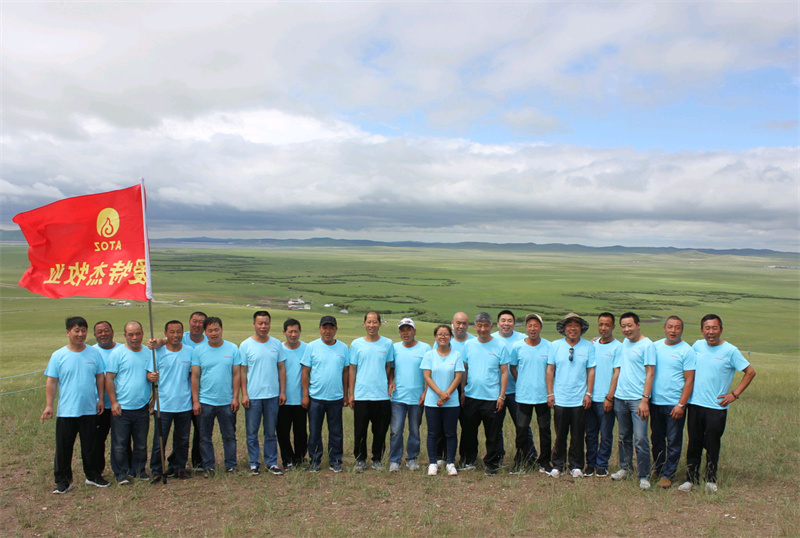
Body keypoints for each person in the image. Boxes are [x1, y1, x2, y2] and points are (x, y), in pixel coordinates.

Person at [678, 314, 756, 493]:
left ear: (720, 329)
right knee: (694, 442)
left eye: (714, 328)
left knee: (712, 443)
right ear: (702, 330)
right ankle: (691, 479)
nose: (711, 332)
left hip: (716, 407)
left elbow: (750, 372)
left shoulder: (730, 351)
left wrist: (734, 394)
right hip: (695, 404)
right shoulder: (697, 346)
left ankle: (711, 479)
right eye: (707, 328)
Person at [41, 316, 107, 493]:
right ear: (68, 332)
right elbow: (52, 381)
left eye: (83, 330)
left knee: (90, 446)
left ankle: (93, 476)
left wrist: (101, 399)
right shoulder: (58, 355)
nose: (80, 334)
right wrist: (49, 405)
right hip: (67, 410)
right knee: (63, 448)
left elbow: (100, 377)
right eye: (76, 330)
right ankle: (62, 481)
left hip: (89, 408)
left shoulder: (94, 353)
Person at [608, 312, 656, 489]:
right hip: (621, 398)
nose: (627, 329)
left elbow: (650, 373)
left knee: (641, 438)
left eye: (630, 325)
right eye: (623, 326)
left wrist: (645, 400)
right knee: (623, 436)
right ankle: (626, 468)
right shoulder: (624, 344)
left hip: (638, 400)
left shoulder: (647, 345)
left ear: (638, 325)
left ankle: (644, 475)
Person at [546, 313, 596, 478]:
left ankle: (576, 466)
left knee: (578, 434)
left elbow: (591, 370)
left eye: (576, 325)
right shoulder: (555, 345)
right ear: (564, 328)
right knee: (560, 434)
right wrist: (550, 393)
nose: (573, 329)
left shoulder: (588, 346)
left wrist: (588, 393)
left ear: (581, 328)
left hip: (580, 399)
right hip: (560, 398)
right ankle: (557, 465)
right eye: (569, 325)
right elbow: (550, 370)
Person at [459, 311, 508, 475]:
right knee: (468, 431)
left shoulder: (500, 346)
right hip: (471, 396)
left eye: (486, 326)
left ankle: (492, 464)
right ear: (475, 326)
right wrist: (463, 391)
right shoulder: (469, 345)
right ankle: (468, 460)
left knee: (492, 433)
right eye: (479, 325)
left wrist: (502, 395)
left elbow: (504, 372)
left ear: (491, 326)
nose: (482, 329)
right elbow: (465, 369)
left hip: (492, 397)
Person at [191, 316, 241, 476]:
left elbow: (236, 374)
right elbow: (195, 376)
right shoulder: (198, 351)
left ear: (221, 329)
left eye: (216, 329)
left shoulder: (232, 348)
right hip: (205, 401)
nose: (213, 333)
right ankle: (208, 466)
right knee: (205, 437)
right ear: (205, 332)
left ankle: (231, 465)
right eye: (210, 330)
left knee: (229, 436)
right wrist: (195, 401)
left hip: (227, 401)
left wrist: (235, 398)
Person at [650, 315, 696, 489]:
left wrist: (681, 404)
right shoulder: (655, 346)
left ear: (682, 330)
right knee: (657, 438)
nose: (673, 330)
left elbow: (689, 380)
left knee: (673, 441)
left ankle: (668, 474)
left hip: (674, 404)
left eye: (677, 327)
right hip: (655, 402)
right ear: (664, 328)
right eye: (670, 327)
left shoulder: (687, 351)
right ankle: (658, 468)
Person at [301, 315, 350, 473]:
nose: (327, 331)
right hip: (316, 398)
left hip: (336, 398)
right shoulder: (312, 347)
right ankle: (315, 460)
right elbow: (305, 371)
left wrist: (346, 394)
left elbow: (346, 372)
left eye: (331, 328)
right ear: (320, 329)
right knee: (315, 431)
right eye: (324, 328)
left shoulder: (343, 348)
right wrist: (305, 395)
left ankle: (335, 461)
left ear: (336, 329)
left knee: (336, 432)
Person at [240, 310, 286, 476]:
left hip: (272, 396)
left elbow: (281, 368)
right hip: (253, 396)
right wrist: (244, 394)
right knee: (252, 433)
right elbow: (242, 371)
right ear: (254, 324)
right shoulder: (246, 345)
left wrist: (282, 392)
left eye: (266, 323)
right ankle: (253, 463)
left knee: (270, 432)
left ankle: (272, 462)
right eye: (260, 323)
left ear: (270, 324)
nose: (263, 326)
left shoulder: (276, 344)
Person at [146, 320, 194, 481]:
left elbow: (192, 375)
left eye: (179, 331)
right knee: (160, 440)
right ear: (165, 333)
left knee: (182, 440)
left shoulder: (189, 351)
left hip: (184, 404)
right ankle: (156, 470)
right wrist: (151, 377)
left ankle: (179, 467)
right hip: (163, 404)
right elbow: (149, 374)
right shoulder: (157, 352)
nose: (175, 335)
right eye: (172, 332)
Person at [106, 321, 152, 484]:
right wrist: (114, 402)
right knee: (120, 444)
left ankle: (139, 470)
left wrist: (153, 394)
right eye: (131, 334)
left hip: (142, 406)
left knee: (141, 443)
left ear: (143, 334)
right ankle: (121, 473)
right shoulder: (117, 354)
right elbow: (109, 379)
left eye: (138, 334)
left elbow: (151, 376)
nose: (135, 338)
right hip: (122, 407)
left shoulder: (148, 353)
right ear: (125, 335)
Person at [348, 311, 395, 471]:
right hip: (361, 395)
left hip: (381, 395)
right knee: (360, 431)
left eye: (375, 322)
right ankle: (360, 460)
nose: (372, 325)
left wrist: (386, 382)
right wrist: (351, 393)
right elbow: (352, 369)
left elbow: (388, 367)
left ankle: (377, 459)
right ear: (364, 324)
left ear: (380, 324)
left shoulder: (387, 344)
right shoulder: (356, 344)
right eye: (369, 322)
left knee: (380, 431)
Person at [508, 313, 552, 473]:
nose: (533, 329)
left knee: (544, 430)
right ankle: (520, 462)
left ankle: (544, 462)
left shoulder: (549, 346)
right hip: (523, 396)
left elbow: (551, 369)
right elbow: (513, 367)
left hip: (543, 396)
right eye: (530, 326)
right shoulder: (517, 346)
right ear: (526, 328)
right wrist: (522, 380)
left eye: (536, 325)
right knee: (521, 430)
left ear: (541, 327)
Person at [421, 325, 464, 477]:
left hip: (451, 402)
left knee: (450, 433)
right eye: (440, 334)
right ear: (435, 337)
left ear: (450, 337)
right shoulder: (429, 355)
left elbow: (458, 377)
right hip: (432, 401)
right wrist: (440, 394)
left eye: (446, 334)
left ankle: (450, 462)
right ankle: (433, 462)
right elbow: (427, 377)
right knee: (433, 433)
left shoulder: (456, 355)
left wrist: (446, 395)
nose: (443, 337)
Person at [389, 318, 430, 472]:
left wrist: (425, 392)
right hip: (398, 397)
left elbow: (429, 373)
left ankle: (412, 459)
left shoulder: (425, 348)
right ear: (399, 333)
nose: (406, 333)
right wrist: (390, 381)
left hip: (417, 398)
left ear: (414, 331)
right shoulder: (394, 348)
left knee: (415, 430)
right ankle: (395, 460)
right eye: (402, 330)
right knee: (396, 430)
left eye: (408, 329)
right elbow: (391, 368)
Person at [435, 312, 475, 465]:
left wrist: (463, 390)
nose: (461, 326)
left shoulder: (473, 341)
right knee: (443, 424)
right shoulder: (444, 339)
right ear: (453, 323)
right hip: (445, 388)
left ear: (468, 324)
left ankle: (467, 458)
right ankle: (441, 456)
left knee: (467, 425)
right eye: (458, 323)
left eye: (464, 323)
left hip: (468, 389)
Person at [491, 310, 528, 467]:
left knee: (522, 426)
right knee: (496, 427)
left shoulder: (522, 338)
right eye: (503, 321)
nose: (506, 324)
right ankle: (498, 456)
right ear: (498, 323)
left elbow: (541, 343)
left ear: (514, 323)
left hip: (517, 391)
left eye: (509, 321)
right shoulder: (491, 339)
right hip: (496, 392)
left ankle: (528, 456)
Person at [586, 312, 621, 478]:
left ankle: (602, 465)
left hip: (605, 399)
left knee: (606, 434)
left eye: (607, 325)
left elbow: (617, 373)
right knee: (590, 433)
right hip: (589, 397)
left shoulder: (618, 347)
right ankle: (590, 464)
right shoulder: (592, 345)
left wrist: (609, 397)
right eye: (601, 324)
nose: (603, 328)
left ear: (613, 326)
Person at [90, 321, 121, 481]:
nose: (103, 334)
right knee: (97, 440)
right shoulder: (90, 352)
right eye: (99, 332)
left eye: (106, 330)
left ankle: (123, 470)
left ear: (112, 332)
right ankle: (96, 472)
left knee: (121, 440)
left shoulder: (123, 349)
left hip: (120, 404)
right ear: (95, 335)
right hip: (98, 405)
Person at [276, 318, 308, 470]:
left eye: (296, 331)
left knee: (301, 432)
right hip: (282, 399)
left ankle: (300, 459)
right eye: (290, 332)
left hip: (301, 399)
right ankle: (287, 459)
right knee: (283, 432)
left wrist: (306, 395)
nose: (293, 335)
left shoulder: (307, 348)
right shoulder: (279, 348)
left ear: (300, 331)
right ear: (284, 332)